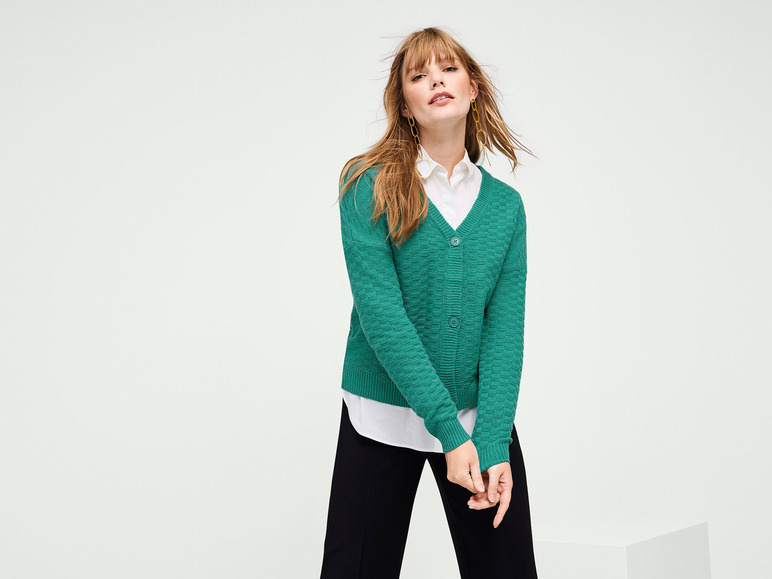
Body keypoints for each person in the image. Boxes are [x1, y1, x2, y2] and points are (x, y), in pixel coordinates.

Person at [320, 26, 539, 579]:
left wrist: (492, 440)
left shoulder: (505, 208)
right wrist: (448, 430)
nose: (436, 80)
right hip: (383, 415)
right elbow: (383, 318)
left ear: (473, 89)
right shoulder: (367, 184)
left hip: (477, 422)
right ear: (405, 104)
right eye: (419, 75)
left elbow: (504, 330)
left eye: (448, 69)